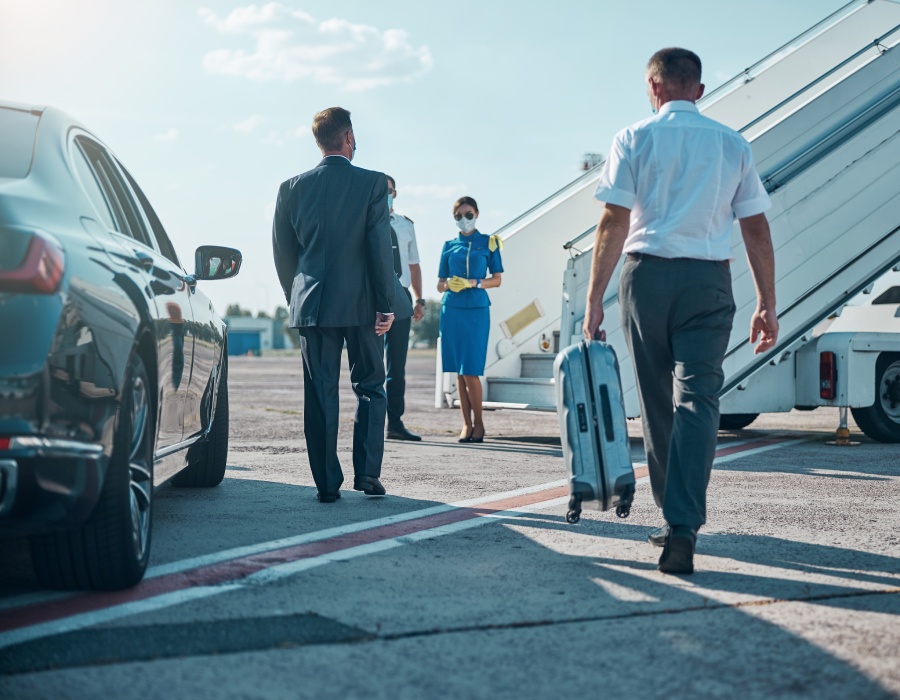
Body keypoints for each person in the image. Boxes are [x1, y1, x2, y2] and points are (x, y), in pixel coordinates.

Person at [583, 48, 778, 574]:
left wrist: (593, 301)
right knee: (700, 400)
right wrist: (767, 303)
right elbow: (755, 228)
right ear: (699, 89)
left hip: (646, 278)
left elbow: (612, 223)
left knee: (655, 403)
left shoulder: (632, 137)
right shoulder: (732, 143)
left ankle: (674, 522)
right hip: (708, 283)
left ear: (653, 88)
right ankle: (683, 525)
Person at [272, 106, 396, 503]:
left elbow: (282, 254)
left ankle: (327, 483)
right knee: (372, 387)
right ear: (348, 137)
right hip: (362, 305)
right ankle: (368, 475)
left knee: (321, 393)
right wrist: (386, 303)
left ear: (318, 141)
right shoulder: (373, 184)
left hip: (314, 305)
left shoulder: (291, 188)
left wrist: (299, 297)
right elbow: (379, 249)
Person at [437, 196, 504, 443]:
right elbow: (439, 284)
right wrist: (449, 285)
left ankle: (480, 424)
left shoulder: (489, 243)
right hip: (452, 310)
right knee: (459, 371)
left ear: (476, 213)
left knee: (472, 370)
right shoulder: (448, 245)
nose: (463, 219)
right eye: (458, 216)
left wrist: (473, 282)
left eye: (467, 214)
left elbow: (496, 279)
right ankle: (466, 424)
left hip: (476, 310)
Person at [384, 174, 425, 442]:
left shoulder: (405, 225)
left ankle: (395, 422)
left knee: (397, 366)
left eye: (389, 191)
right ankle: (371, 419)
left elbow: (413, 264)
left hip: (401, 295)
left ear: (395, 194)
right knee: (371, 363)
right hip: (372, 296)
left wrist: (420, 299)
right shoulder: (365, 221)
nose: (385, 194)